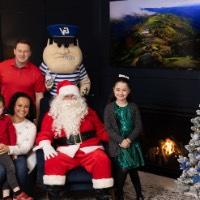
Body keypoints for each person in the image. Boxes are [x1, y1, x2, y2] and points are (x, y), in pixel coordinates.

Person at [35, 80, 113, 200]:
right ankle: (55, 196)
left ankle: (103, 195)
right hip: (65, 151)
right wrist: (45, 144)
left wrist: (116, 139)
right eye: (67, 96)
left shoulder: (89, 112)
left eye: (73, 96)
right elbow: (44, 133)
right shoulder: (52, 115)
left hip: (90, 149)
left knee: (101, 159)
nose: (71, 99)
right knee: (53, 161)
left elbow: (101, 131)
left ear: (78, 97)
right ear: (60, 98)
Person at [104, 74, 145, 200]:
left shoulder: (133, 107)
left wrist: (128, 140)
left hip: (131, 143)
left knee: (132, 170)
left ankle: (138, 193)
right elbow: (108, 128)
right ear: (113, 90)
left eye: (124, 90)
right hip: (117, 144)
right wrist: (121, 140)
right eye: (118, 90)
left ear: (129, 91)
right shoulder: (109, 108)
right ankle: (119, 192)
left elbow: (139, 127)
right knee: (125, 167)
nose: (121, 93)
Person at [0, 92, 37, 198]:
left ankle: (19, 195)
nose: (22, 109)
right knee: (3, 170)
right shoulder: (4, 117)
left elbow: (25, 148)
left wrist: (9, 149)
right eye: (19, 105)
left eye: (26, 106)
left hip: (20, 155)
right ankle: (7, 193)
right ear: (13, 106)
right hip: (2, 153)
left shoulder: (31, 126)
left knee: (20, 165)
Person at [0, 38, 46, 123]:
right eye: (19, 51)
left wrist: (37, 118)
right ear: (14, 51)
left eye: (25, 51)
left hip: (25, 112)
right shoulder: (2, 67)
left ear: (30, 53)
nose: (22, 54)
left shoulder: (36, 73)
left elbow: (39, 98)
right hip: (5, 111)